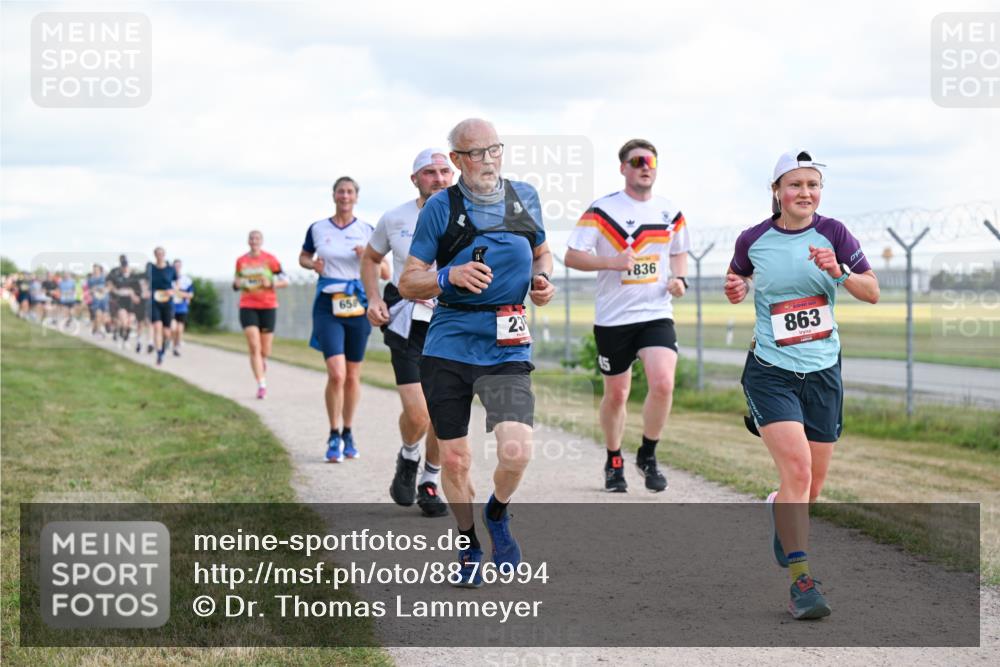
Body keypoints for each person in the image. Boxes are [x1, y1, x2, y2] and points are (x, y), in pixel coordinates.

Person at [398, 118, 555, 587]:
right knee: (456, 461)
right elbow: (408, 280)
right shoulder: (440, 209)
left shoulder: (524, 196)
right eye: (476, 154)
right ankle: (467, 541)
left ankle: (497, 513)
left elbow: (544, 253)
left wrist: (542, 280)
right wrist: (450, 276)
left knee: (516, 450)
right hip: (449, 343)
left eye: (494, 150)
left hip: (506, 339)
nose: (487, 161)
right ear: (458, 161)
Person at [725, 150, 879, 620]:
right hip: (771, 369)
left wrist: (840, 271)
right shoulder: (753, 239)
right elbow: (737, 279)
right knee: (796, 470)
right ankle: (802, 582)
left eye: (813, 185)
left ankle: (780, 510)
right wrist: (735, 288)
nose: (805, 193)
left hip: (823, 369)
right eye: (795, 185)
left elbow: (872, 291)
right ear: (776, 190)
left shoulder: (834, 233)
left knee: (810, 487)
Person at [565, 138, 690, 493]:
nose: (645, 166)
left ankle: (648, 454)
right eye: (637, 161)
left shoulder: (670, 211)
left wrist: (679, 279)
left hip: (655, 313)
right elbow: (573, 257)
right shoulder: (603, 211)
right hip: (613, 318)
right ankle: (614, 457)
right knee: (617, 395)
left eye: (650, 161)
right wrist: (611, 261)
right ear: (623, 168)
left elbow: (679, 252)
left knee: (664, 382)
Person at [363, 148, 454, 518]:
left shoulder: (469, 215)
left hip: (450, 320)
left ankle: (430, 481)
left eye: (445, 171)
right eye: (430, 172)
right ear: (415, 178)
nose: (439, 178)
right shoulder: (395, 217)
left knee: (442, 410)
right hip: (405, 319)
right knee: (419, 415)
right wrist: (372, 298)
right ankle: (409, 454)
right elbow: (371, 258)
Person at [234, 230, 288, 398]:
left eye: (257, 238)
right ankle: (261, 384)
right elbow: (236, 283)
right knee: (254, 346)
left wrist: (270, 282)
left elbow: (285, 280)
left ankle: (261, 361)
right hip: (247, 305)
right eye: (251, 238)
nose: (254, 240)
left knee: (265, 350)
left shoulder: (270, 259)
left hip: (268, 306)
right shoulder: (241, 261)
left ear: (261, 241)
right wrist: (236, 283)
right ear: (248, 241)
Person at [147, 247, 177, 366]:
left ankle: (164, 347)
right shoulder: (151, 269)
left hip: (167, 302)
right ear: (155, 255)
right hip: (154, 302)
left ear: (164, 255)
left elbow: (176, 284)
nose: (160, 256)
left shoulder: (171, 269)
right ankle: (159, 353)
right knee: (157, 326)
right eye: (157, 254)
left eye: (162, 254)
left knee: (167, 332)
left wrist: (172, 291)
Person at [108, 255, 140, 348]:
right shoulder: (116, 275)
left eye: (126, 266)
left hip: (131, 303)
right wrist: (116, 291)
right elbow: (111, 286)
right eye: (123, 266)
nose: (125, 268)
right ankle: (120, 336)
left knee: (129, 323)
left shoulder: (134, 277)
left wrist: (135, 296)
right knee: (124, 322)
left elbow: (137, 290)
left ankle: (125, 339)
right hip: (120, 301)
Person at [171, 259, 194, 356]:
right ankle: (170, 342)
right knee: (173, 329)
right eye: (175, 266)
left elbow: (190, 295)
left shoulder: (187, 280)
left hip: (182, 308)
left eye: (178, 266)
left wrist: (179, 293)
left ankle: (176, 347)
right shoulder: (168, 279)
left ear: (181, 266)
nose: (177, 267)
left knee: (179, 330)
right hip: (170, 308)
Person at [87, 264, 110, 337]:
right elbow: (89, 290)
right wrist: (93, 290)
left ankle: (97, 328)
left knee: (104, 316)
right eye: (94, 269)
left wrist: (105, 289)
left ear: (100, 270)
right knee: (98, 315)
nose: (95, 271)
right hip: (96, 300)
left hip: (104, 299)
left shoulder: (105, 278)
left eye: (96, 269)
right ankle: (98, 331)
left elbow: (109, 287)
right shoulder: (91, 279)